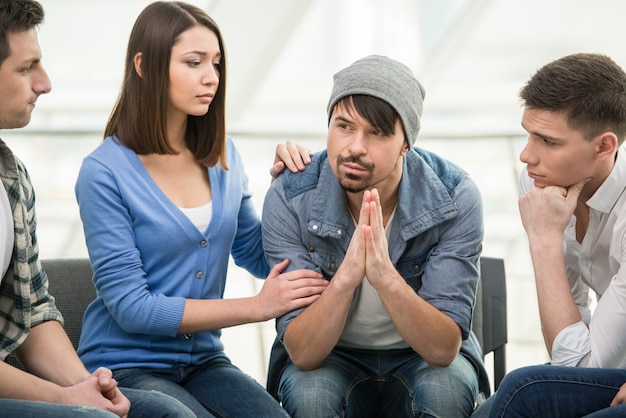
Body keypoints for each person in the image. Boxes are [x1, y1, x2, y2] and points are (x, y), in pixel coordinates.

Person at [73, 2, 327, 417]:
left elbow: (262, 257)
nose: (211, 78)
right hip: (125, 367)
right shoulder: (102, 173)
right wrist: (254, 308)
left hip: (204, 363)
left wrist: (294, 188)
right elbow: (133, 308)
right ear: (143, 64)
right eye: (193, 63)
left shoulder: (223, 156)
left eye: (216, 63)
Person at [261, 54, 489, 417]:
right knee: (311, 398)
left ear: (405, 143)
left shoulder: (454, 197)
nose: (355, 147)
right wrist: (345, 279)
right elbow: (303, 353)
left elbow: (443, 350)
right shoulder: (291, 197)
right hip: (332, 356)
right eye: (344, 126)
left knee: (444, 393)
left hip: (419, 357)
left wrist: (384, 276)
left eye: (378, 132)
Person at [0, 1, 198, 417]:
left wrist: (87, 388)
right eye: (26, 68)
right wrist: (65, 400)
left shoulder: (11, 177)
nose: (44, 83)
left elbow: (32, 310)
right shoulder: (104, 170)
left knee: (165, 414)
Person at [471, 53, 626, 417]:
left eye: (548, 141)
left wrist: (543, 241)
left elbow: (578, 372)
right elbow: (571, 347)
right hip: (607, 367)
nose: (527, 156)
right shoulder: (543, 181)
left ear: (605, 147)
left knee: (522, 390)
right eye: (528, 134)